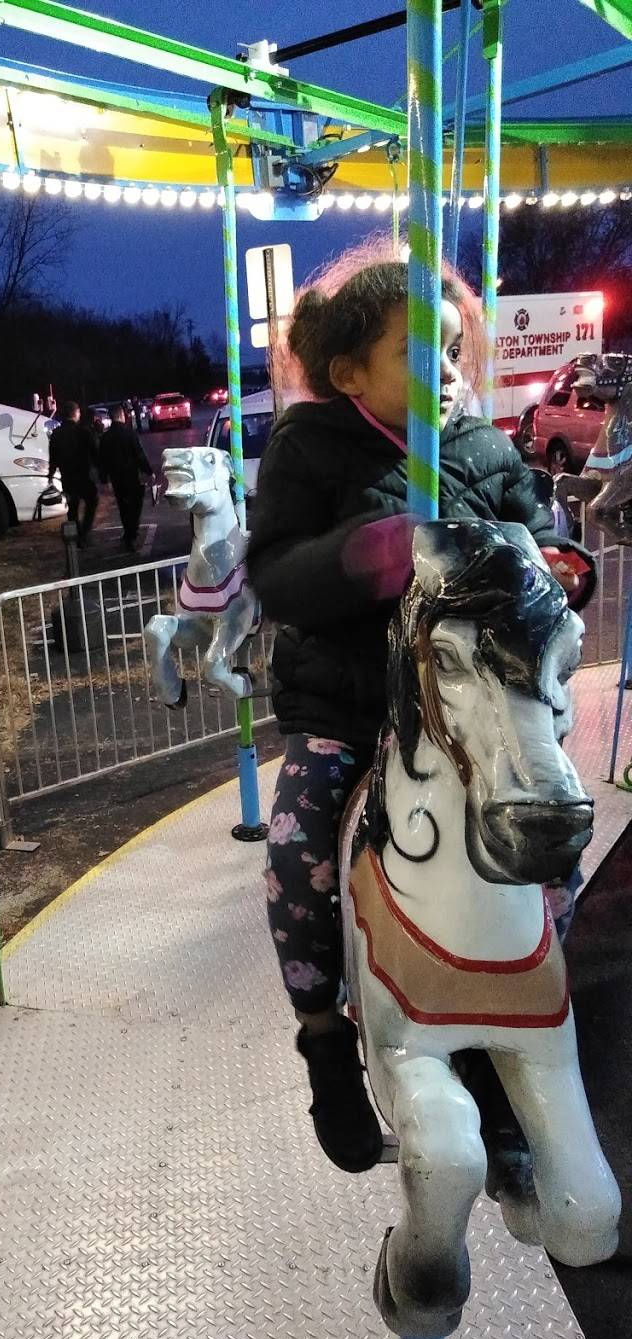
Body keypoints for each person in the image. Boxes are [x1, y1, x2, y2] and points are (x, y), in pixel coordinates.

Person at [246, 250, 595, 1175]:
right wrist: (378, 552)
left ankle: (502, 1022)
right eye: (415, 351)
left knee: (546, 833)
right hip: (353, 704)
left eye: (451, 350)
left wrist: (556, 566)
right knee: (297, 848)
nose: (444, 369)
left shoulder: (486, 449)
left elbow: (545, 534)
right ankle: (325, 1038)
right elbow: (276, 571)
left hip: (474, 704)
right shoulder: (311, 447)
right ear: (351, 371)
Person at [98, 402, 153, 551]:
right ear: (121, 415)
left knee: (123, 506)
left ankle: (128, 532)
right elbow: (139, 455)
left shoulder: (106, 437)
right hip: (131, 476)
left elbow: (102, 460)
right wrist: (149, 472)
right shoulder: (129, 434)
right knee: (135, 506)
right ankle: (131, 534)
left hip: (116, 478)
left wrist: (104, 479)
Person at [48, 399, 99, 546]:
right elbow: (94, 452)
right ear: (75, 413)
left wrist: (51, 475)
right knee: (92, 501)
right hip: (84, 475)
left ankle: (75, 535)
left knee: (73, 507)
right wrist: (101, 471)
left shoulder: (56, 434)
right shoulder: (83, 431)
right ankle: (84, 532)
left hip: (67, 477)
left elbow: (53, 457)